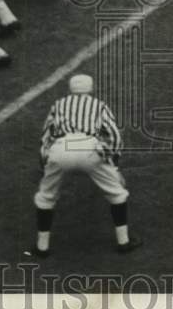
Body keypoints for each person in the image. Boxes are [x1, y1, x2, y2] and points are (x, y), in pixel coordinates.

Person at [32, 74, 141, 257]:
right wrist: (111, 162)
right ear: (91, 88)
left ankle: (42, 247)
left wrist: (45, 164)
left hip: (62, 147)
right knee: (117, 194)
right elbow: (114, 135)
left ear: (70, 88)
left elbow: (46, 136)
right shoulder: (99, 105)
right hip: (90, 147)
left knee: (45, 197)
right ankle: (123, 241)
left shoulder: (58, 105)